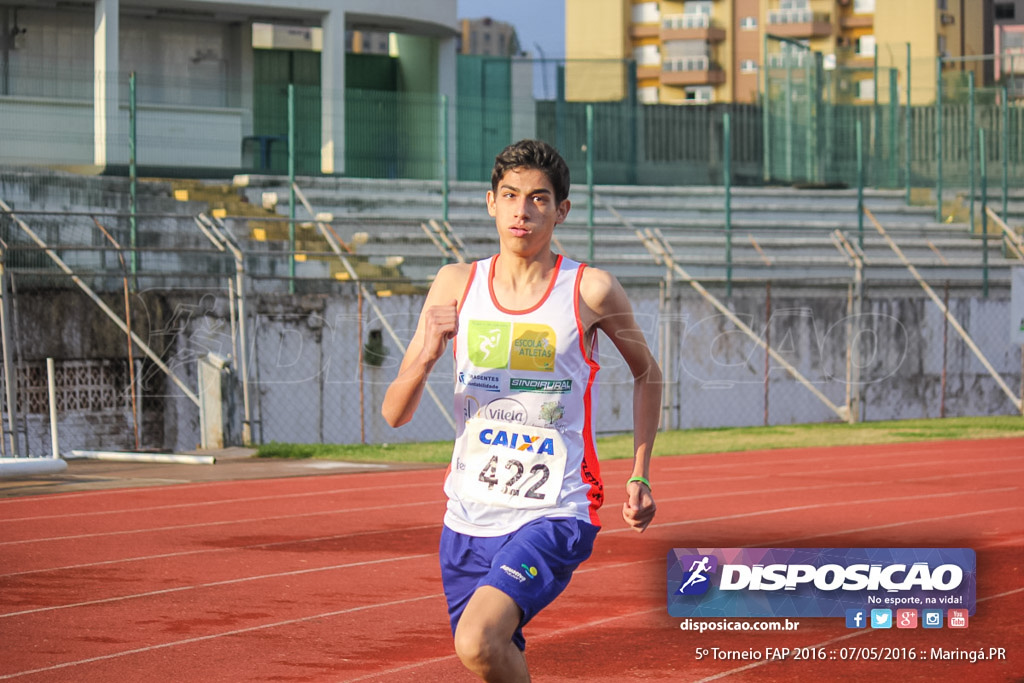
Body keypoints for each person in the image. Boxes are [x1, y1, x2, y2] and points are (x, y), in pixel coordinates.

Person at [382, 139, 661, 682]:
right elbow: (395, 412)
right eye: (510, 195)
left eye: (538, 198)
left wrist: (641, 473)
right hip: (467, 514)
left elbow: (647, 372)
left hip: (554, 509)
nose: (522, 210)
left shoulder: (590, 290)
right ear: (491, 202)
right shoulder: (455, 284)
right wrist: (426, 357)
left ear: (561, 210)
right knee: (488, 657)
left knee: (478, 637)